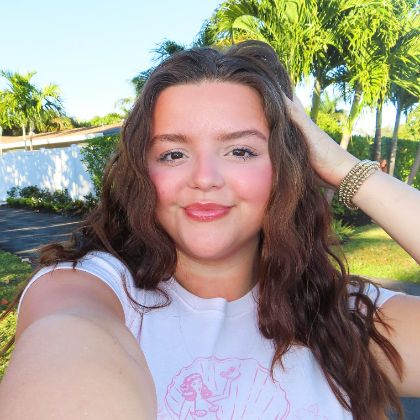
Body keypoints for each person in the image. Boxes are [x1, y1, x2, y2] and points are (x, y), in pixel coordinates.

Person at [0, 40, 419, 420]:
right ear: (143, 173)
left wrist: (345, 169)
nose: (204, 178)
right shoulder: (89, 291)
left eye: (240, 150)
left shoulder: (338, 316)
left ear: (284, 168)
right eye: (173, 153)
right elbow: (67, 347)